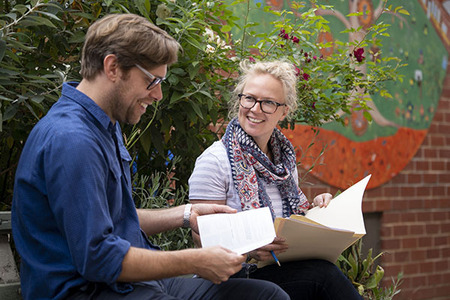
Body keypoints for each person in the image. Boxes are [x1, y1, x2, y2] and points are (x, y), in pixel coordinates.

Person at [11, 14, 290, 300]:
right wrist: (196, 260)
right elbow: (98, 258)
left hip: (125, 286)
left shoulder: (104, 124)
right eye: (152, 80)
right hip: (87, 291)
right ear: (112, 67)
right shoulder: (72, 140)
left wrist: (186, 214)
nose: (157, 94)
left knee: (267, 296)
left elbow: (114, 216)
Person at [188, 60, 363, 299]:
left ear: (284, 111)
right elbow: (202, 241)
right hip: (230, 279)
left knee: (322, 274)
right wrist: (250, 250)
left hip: (275, 271)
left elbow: (287, 224)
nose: (255, 109)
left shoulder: (283, 160)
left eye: (268, 103)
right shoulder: (215, 160)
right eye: (249, 98)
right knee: (323, 276)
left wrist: (317, 211)